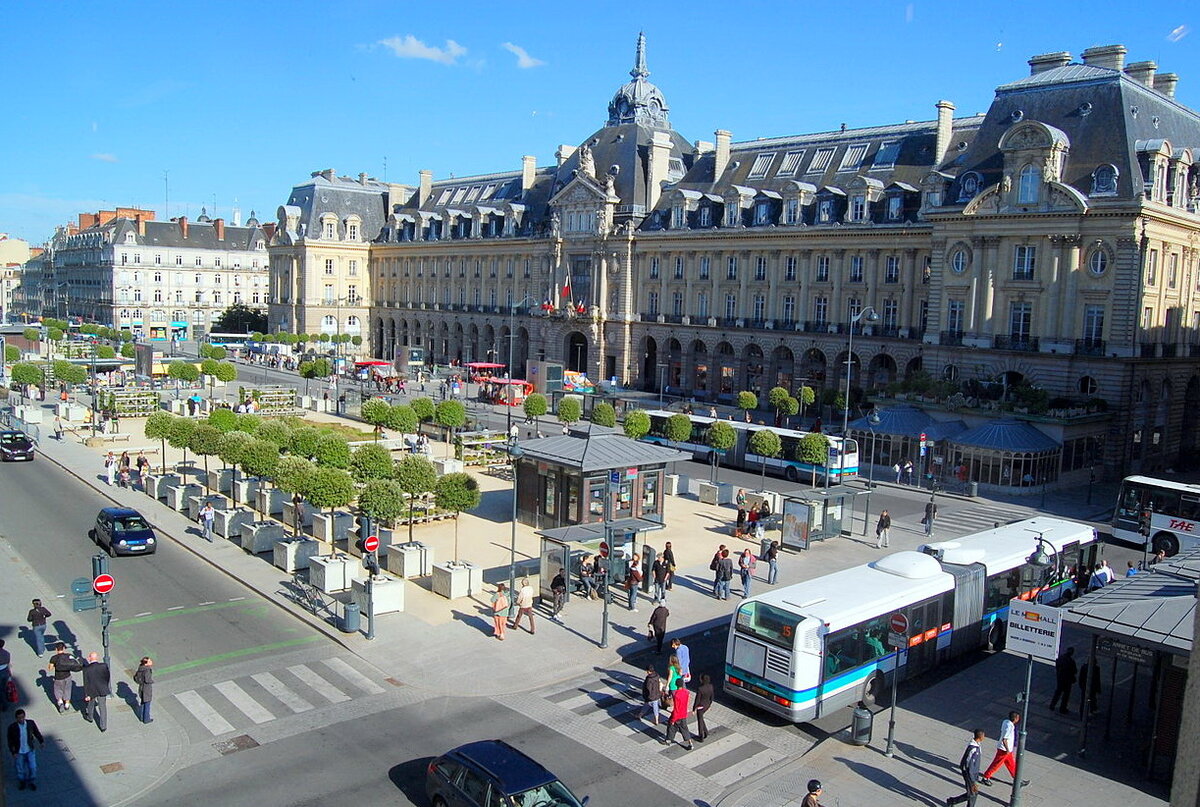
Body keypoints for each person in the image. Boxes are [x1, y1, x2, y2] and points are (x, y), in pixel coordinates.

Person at [980, 711, 1027, 787]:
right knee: (996, 764)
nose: (1018, 719)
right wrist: (1008, 750)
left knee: (1011, 765)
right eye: (1018, 717)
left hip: (1007, 750)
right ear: (1015, 718)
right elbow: (1004, 739)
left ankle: (1017, 779)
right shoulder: (1010, 727)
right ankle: (985, 777)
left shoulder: (1006, 722)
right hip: (1004, 750)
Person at [7, 709, 45, 791]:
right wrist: (13, 752)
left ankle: (31, 781)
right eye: (19, 718)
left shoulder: (30, 723)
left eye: (22, 717)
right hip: (19, 752)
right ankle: (22, 781)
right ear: (16, 718)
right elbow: (10, 740)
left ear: (24, 717)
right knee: (20, 768)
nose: (21, 719)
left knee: (33, 767)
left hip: (29, 750)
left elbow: (36, 732)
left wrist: (41, 741)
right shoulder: (12, 727)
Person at [947, 728, 985, 807]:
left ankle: (952, 801)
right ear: (980, 737)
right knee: (972, 793)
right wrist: (973, 781)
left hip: (973, 774)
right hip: (969, 774)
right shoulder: (973, 748)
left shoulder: (976, 745)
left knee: (972, 793)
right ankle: (952, 801)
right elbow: (969, 764)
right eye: (983, 736)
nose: (984, 737)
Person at [82, 651, 112, 732]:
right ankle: (103, 726)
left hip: (91, 690)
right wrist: (105, 685)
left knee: (91, 704)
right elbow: (107, 677)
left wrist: (87, 694)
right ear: (97, 658)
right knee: (102, 707)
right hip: (102, 688)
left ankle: (90, 717)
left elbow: (86, 682)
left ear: (89, 658)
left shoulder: (86, 669)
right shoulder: (103, 666)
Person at [49, 642, 81, 714]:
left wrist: (55, 665)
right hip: (68, 676)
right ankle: (67, 704)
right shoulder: (68, 656)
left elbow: (50, 668)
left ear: (56, 649)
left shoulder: (54, 658)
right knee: (67, 689)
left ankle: (60, 702)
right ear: (64, 648)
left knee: (58, 690)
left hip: (58, 677)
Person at [662, 680, 694, 750]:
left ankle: (668, 740)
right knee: (684, 729)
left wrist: (673, 719)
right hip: (684, 714)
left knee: (671, 727)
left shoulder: (676, 694)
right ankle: (690, 743)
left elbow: (676, 708)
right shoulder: (686, 692)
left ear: (676, 685)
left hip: (677, 715)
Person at [1049, 647, 1076, 714]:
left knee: (1058, 692)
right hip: (1067, 680)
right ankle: (1062, 708)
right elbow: (1075, 671)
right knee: (1066, 695)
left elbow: (1057, 666)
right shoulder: (1071, 661)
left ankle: (1052, 705)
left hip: (1060, 678)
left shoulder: (1061, 658)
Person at [133, 657, 154, 724]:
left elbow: (136, 677)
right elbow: (147, 680)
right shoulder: (147, 670)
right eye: (150, 661)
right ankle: (146, 719)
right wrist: (152, 681)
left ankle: (142, 717)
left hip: (141, 687)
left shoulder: (140, 668)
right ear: (146, 663)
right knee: (147, 704)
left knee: (142, 703)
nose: (151, 661)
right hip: (146, 689)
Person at [694, 673, 715, 741]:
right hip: (707, 705)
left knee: (700, 720)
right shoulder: (711, 686)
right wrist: (709, 704)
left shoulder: (700, 689)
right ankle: (705, 731)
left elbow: (697, 700)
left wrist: (694, 708)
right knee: (701, 718)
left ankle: (701, 735)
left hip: (701, 706)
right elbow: (712, 697)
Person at [0, 640, 9, 713]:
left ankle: (4, 704)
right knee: (4, 686)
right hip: (5, 671)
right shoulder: (6, 653)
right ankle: (7, 698)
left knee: (1, 690)